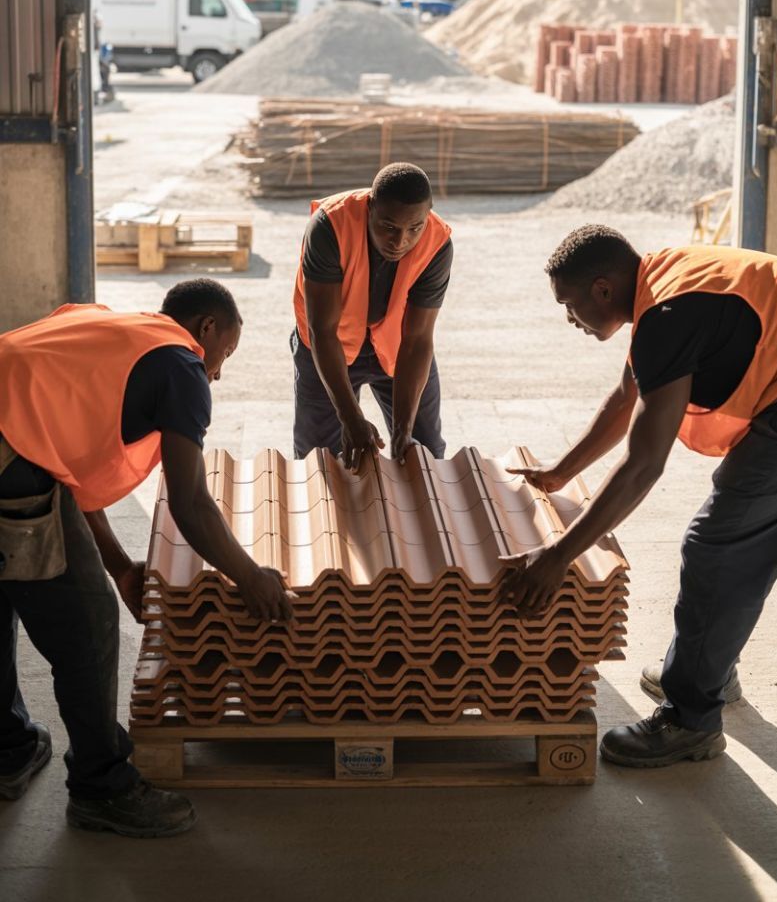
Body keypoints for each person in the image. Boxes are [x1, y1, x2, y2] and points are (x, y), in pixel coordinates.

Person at [501, 225, 777, 768]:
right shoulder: (660, 282)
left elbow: (643, 466)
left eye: (570, 305)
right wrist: (559, 474)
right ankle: (706, 666)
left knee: (717, 545)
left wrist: (557, 557)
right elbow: (626, 397)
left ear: (602, 289)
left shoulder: (666, 314)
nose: (569, 320)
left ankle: (691, 719)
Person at [0, 280, 293, 834]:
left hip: (11, 439)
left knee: (5, 588)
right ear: (206, 328)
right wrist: (249, 577)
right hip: (8, 452)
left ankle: (7, 750)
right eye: (223, 354)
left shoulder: (104, 327)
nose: (218, 372)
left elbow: (61, 468)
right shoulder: (180, 365)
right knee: (88, 621)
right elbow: (190, 504)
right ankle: (101, 788)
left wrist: (120, 566)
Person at [292, 162, 453, 468]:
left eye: (414, 228)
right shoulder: (329, 225)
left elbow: (418, 340)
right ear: (370, 208)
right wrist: (351, 418)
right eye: (388, 226)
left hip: (396, 347)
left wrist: (402, 432)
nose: (400, 241)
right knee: (318, 460)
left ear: (428, 214)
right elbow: (323, 331)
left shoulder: (438, 241)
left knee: (424, 452)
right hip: (327, 346)